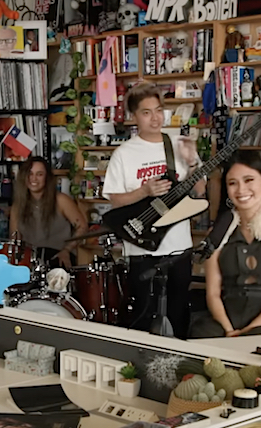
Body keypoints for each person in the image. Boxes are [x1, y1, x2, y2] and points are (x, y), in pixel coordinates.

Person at [103, 83, 204, 338]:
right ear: (134, 116)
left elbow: (200, 190)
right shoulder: (123, 154)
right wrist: (144, 192)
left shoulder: (177, 144)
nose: (155, 117)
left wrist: (192, 160)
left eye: (158, 110)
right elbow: (115, 200)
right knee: (142, 316)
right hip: (141, 247)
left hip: (179, 247)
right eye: (146, 112)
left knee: (179, 314)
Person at [190, 151, 261, 337]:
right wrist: (229, 331)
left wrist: (246, 333)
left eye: (249, 180)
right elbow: (212, 294)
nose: (241, 190)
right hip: (227, 317)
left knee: (260, 341)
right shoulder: (218, 233)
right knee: (200, 335)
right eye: (232, 183)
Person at [9, 156, 87, 268]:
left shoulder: (61, 200)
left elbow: (82, 227)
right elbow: (15, 239)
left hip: (58, 258)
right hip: (30, 261)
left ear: (47, 177)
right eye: (30, 174)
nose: (34, 179)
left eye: (39, 174)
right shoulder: (17, 206)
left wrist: (67, 250)